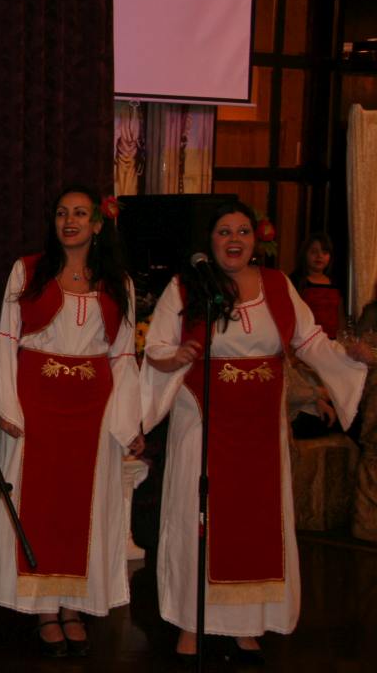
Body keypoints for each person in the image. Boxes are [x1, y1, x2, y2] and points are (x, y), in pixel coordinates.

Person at [141, 202, 371, 662]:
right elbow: (157, 347)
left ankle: (245, 626)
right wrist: (174, 357)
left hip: (262, 431)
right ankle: (191, 624)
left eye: (243, 231)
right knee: (199, 521)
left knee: (255, 526)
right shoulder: (188, 286)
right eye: (224, 231)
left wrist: (350, 354)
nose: (234, 239)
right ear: (210, 241)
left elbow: (310, 340)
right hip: (203, 423)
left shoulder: (278, 285)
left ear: (256, 240)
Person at [0, 186, 143, 658]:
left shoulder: (118, 282)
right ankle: (42, 608)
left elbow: (123, 356)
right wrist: (7, 407)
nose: (69, 221)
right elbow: (5, 340)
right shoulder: (27, 271)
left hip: (91, 412)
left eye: (79, 213)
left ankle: (74, 606)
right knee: (40, 504)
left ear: (97, 224)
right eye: (61, 213)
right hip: (37, 405)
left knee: (84, 506)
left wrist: (129, 421)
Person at [291, 231, 344, 340]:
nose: (319, 256)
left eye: (325, 252)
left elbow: (340, 316)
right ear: (305, 254)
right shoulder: (295, 280)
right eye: (314, 252)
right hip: (305, 341)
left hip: (333, 341)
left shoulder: (335, 282)